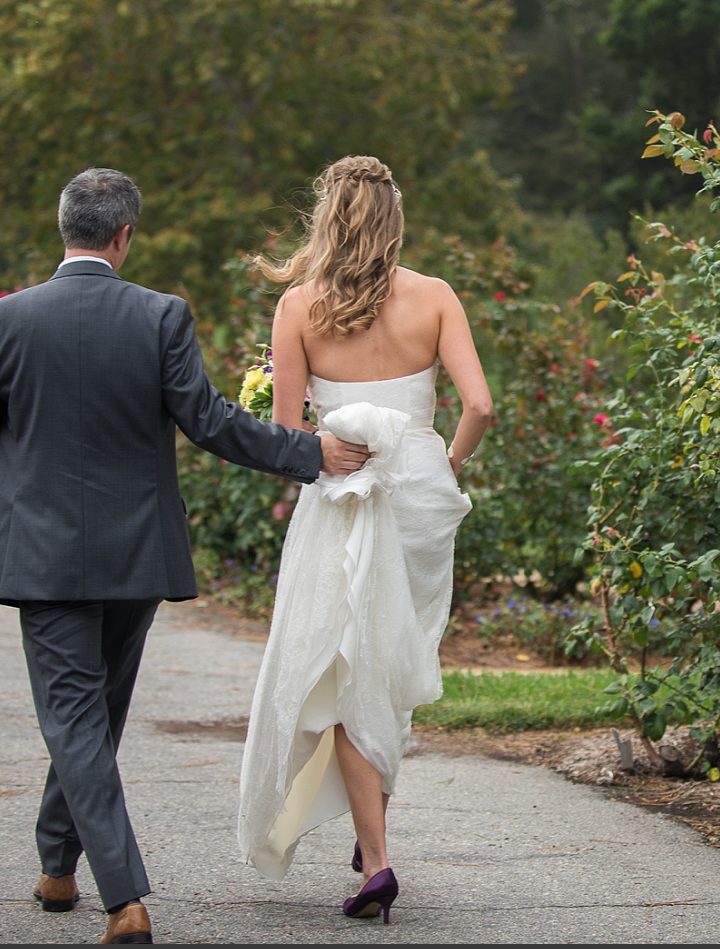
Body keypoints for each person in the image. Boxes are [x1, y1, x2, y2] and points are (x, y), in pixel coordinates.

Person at [0, 168, 373, 945]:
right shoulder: (160, 316)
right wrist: (310, 451)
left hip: (40, 552)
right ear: (124, 235)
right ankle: (56, 864)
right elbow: (208, 422)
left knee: (81, 716)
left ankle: (124, 901)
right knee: (91, 713)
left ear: (66, 228)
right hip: (136, 551)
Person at [236, 155, 491, 924]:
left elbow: (286, 435)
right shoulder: (435, 297)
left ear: (328, 216)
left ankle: (375, 858)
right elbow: (479, 404)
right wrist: (440, 462)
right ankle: (370, 823)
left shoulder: (299, 306)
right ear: (394, 217)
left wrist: (324, 438)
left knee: (345, 667)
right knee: (392, 656)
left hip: (341, 489)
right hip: (416, 488)